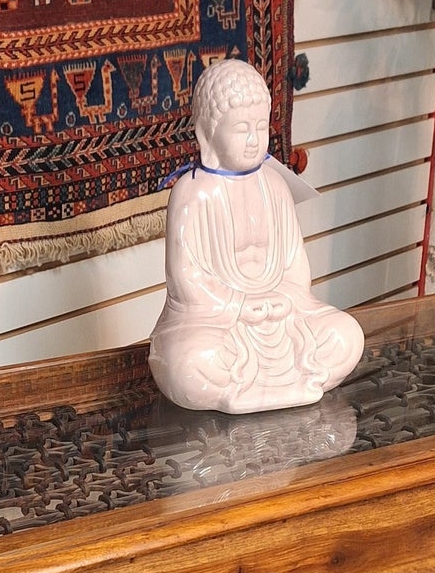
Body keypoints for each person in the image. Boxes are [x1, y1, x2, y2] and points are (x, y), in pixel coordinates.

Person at [149, 61, 364, 413]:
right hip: (216, 319)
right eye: (241, 129)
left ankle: (274, 381)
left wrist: (284, 297)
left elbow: (295, 263)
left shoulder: (275, 185)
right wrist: (239, 305)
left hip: (283, 314)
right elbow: (186, 280)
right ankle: (240, 387)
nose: (253, 140)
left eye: (260, 127)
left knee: (346, 334)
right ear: (206, 134)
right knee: (187, 364)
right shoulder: (192, 194)